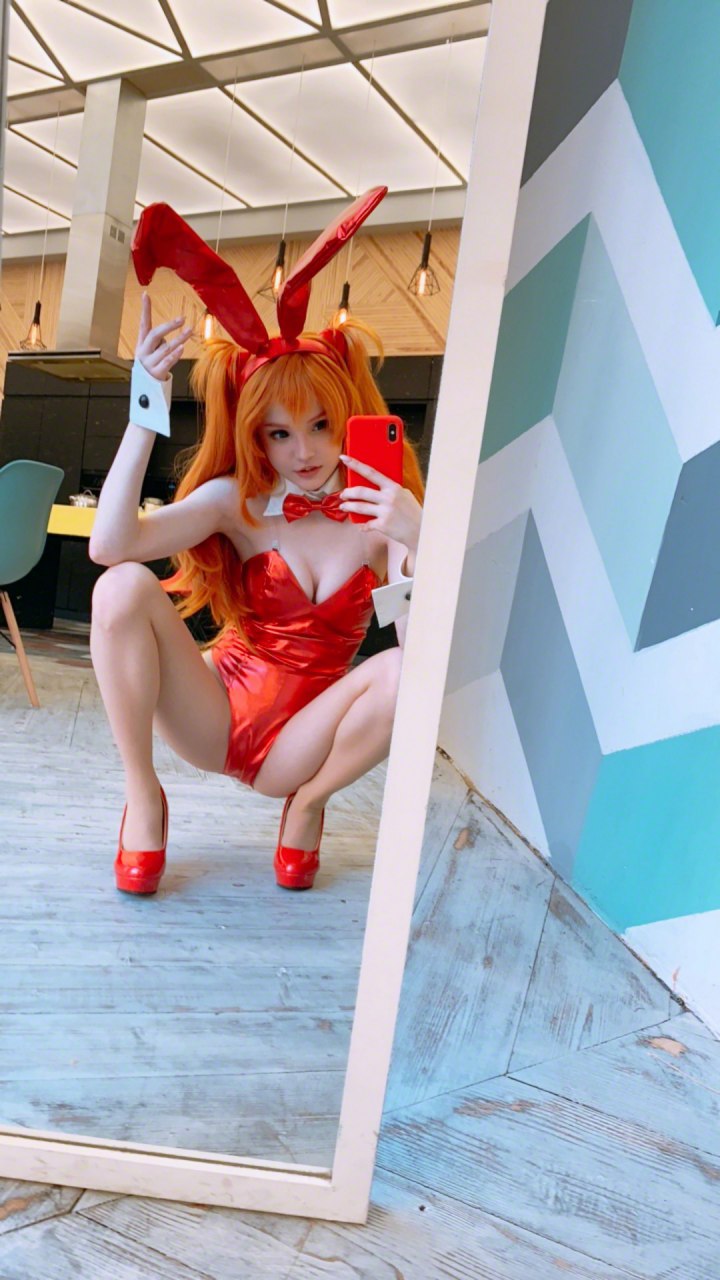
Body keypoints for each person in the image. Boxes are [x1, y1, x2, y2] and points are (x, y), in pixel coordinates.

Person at [89, 272, 424, 895]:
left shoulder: (383, 520)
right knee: (120, 586)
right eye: (280, 433)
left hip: (300, 746)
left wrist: (418, 539)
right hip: (212, 714)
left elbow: (417, 657)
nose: (305, 452)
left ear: (348, 418)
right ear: (255, 436)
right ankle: (143, 796)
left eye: (321, 425)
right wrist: (144, 409)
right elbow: (109, 547)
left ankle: (307, 805)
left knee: (407, 671)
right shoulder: (237, 503)